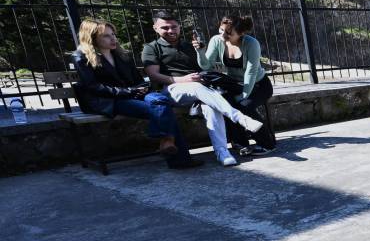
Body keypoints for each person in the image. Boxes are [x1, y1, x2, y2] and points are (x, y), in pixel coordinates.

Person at [72, 19, 200, 169]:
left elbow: (137, 80)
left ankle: (167, 142)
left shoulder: (121, 55)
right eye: (106, 36)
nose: (113, 39)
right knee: (162, 109)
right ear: (92, 38)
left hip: (133, 94)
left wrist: (142, 88)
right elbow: (93, 87)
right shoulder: (81, 57)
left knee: (160, 99)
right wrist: (128, 91)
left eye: (113, 34)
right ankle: (173, 150)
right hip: (109, 100)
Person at [143, 12, 264, 167]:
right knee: (195, 87)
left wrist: (201, 52)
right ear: (155, 28)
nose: (171, 30)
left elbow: (205, 67)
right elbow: (153, 75)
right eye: (165, 28)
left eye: (174, 26)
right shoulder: (151, 48)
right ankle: (240, 118)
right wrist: (183, 79)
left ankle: (222, 152)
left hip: (200, 90)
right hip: (172, 89)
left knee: (211, 107)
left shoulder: (188, 46)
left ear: (179, 26)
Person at [197, 14, 276, 156]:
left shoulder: (251, 43)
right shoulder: (217, 40)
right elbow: (206, 66)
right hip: (234, 84)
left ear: (241, 33)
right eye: (221, 30)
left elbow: (251, 72)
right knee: (226, 104)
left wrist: (243, 95)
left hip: (258, 84)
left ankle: (267, 143)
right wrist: (200, 52)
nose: (223, 35)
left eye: (229, 33)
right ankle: (240, 143)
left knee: (244, 106)